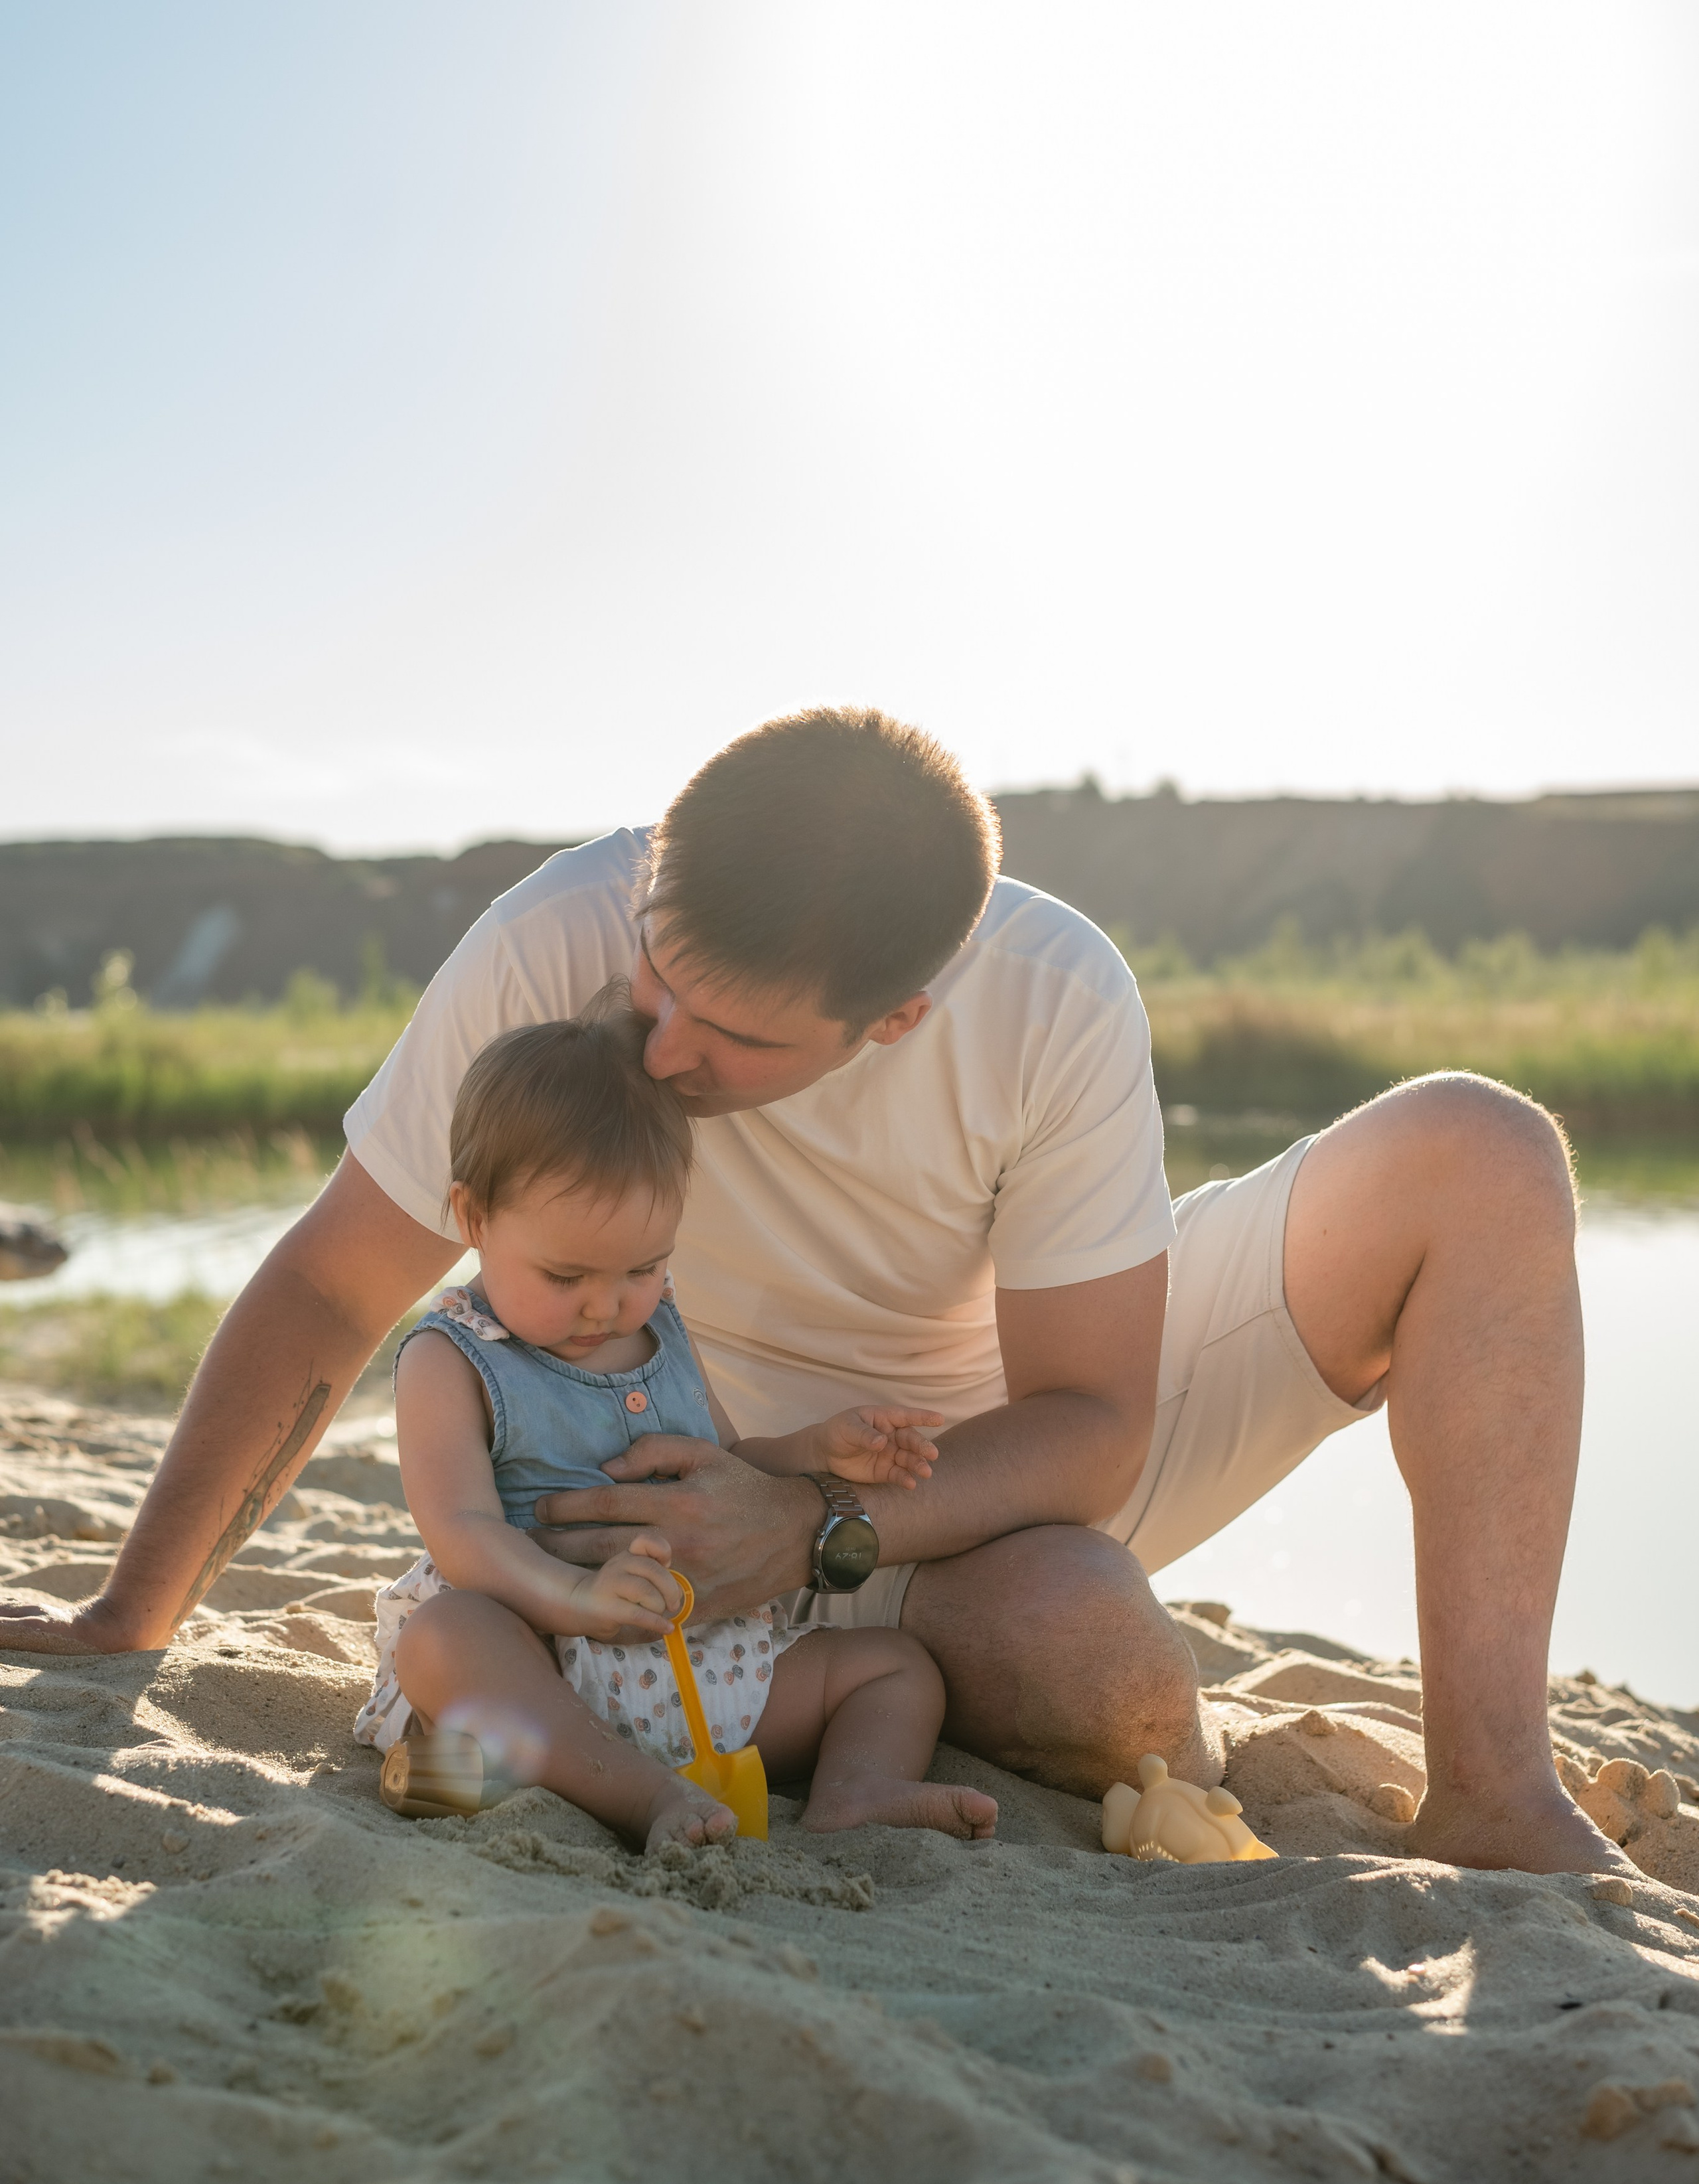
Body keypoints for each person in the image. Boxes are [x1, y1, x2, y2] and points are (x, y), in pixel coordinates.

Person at [0, 708, 1617, 1877]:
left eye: (730, 1033)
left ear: (895, 1014)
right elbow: (330, 1284)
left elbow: (1091, 1423)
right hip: (676, 1482)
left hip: (948, 1464)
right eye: (656, 976)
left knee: (1477, 1150)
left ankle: (1491, 1792)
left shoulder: (1048, 998)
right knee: (1104, 1670)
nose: (657, 1045)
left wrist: (817, 1519)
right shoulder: (552, 935)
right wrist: (131, 1610)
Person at [360, 995, 995, 1848]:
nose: (606, 1305)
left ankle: (857, 1790)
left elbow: (728, 1461)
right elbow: (463, 1533)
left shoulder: (660, 1324)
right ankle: (636, 1794)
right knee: (445, 1639)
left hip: (706, 1669)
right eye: (565, 1276)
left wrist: (816, 1451)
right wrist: (575, 1596)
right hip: (543, 1658)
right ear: (475, 1218)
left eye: (643, 1267)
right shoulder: (453, 1357)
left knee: (895, 1667)